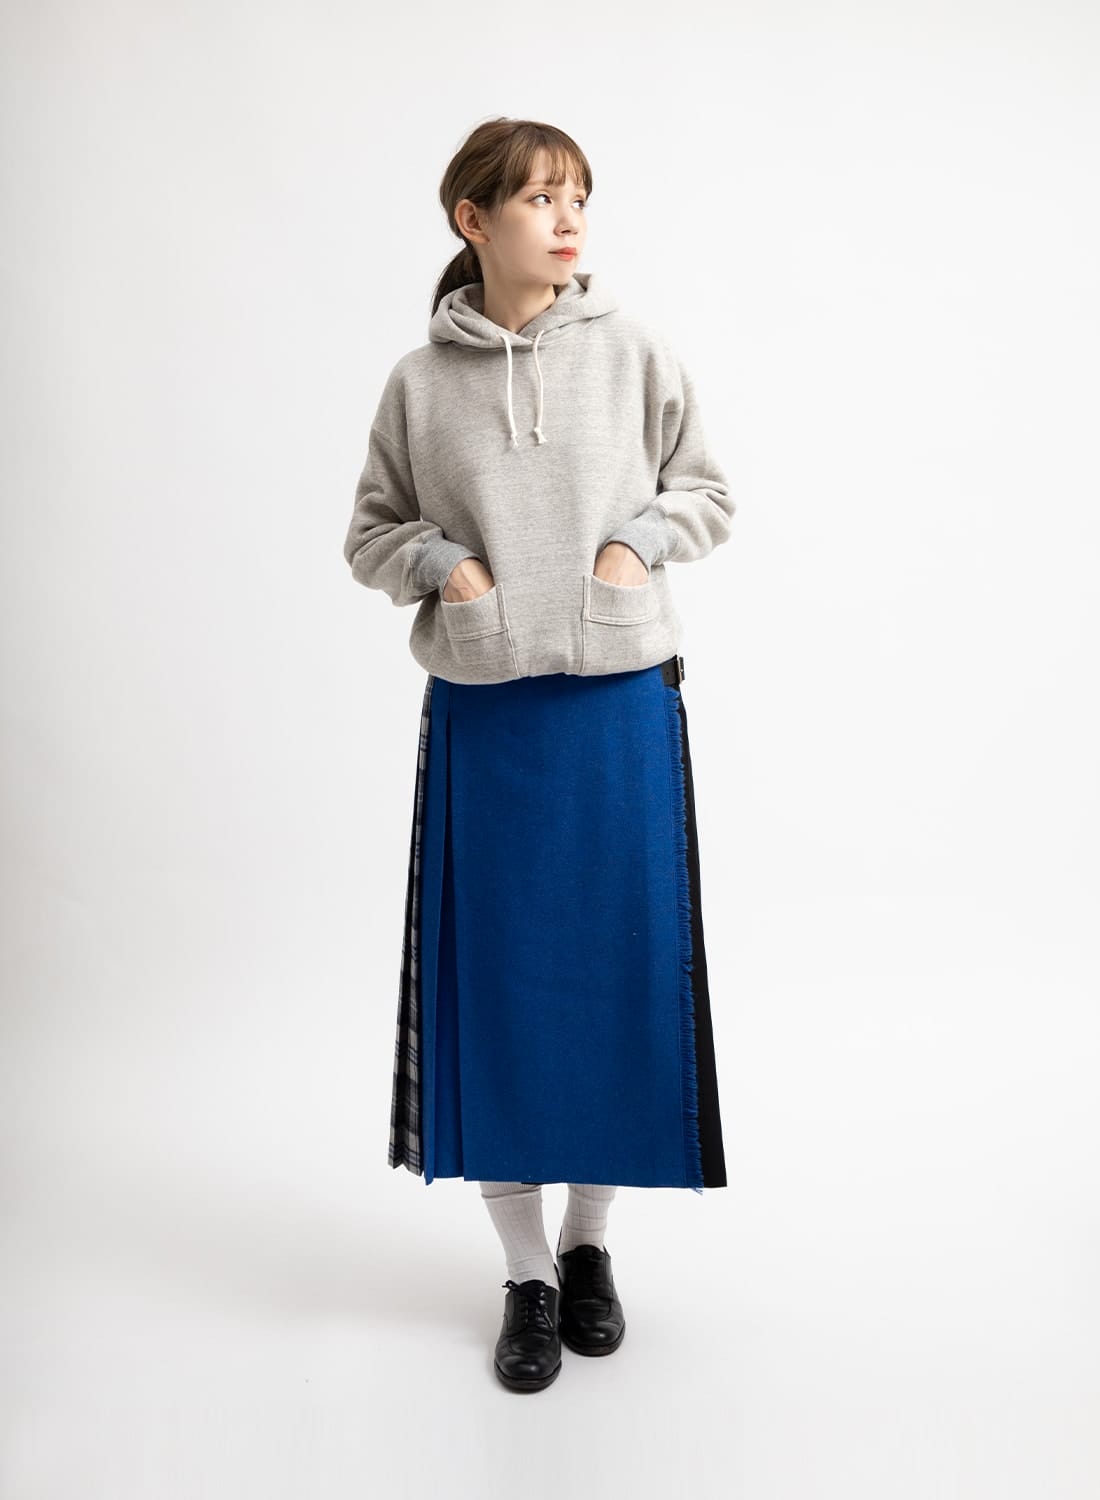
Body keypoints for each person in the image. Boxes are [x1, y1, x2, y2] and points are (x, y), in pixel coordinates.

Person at [343, 117, 735, 1393]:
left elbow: (706, 493)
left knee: (619, 980)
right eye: (537, 199)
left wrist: (633, 545)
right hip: (488, 717)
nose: (566, 219)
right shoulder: (419, 382)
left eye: (577, 196)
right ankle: (522, 1273)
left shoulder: (633, 352)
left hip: (619, 709)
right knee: (501, 991)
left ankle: (588, 1247)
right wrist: (446, 566)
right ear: (472, 220)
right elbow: (371, 531)